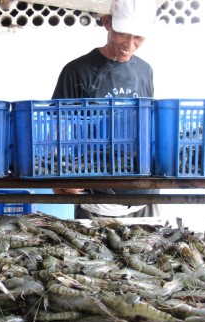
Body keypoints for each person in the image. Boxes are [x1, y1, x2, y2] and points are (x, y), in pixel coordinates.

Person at [52, 0, 160, 219]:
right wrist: (57, 178)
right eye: (123, 33)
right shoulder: (77, 71)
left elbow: (147, 124)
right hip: (94, 198)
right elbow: (56, 131)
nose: (129, 44)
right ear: (107, 22)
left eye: (138, 37)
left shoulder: (145, 70)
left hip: (144, 196)